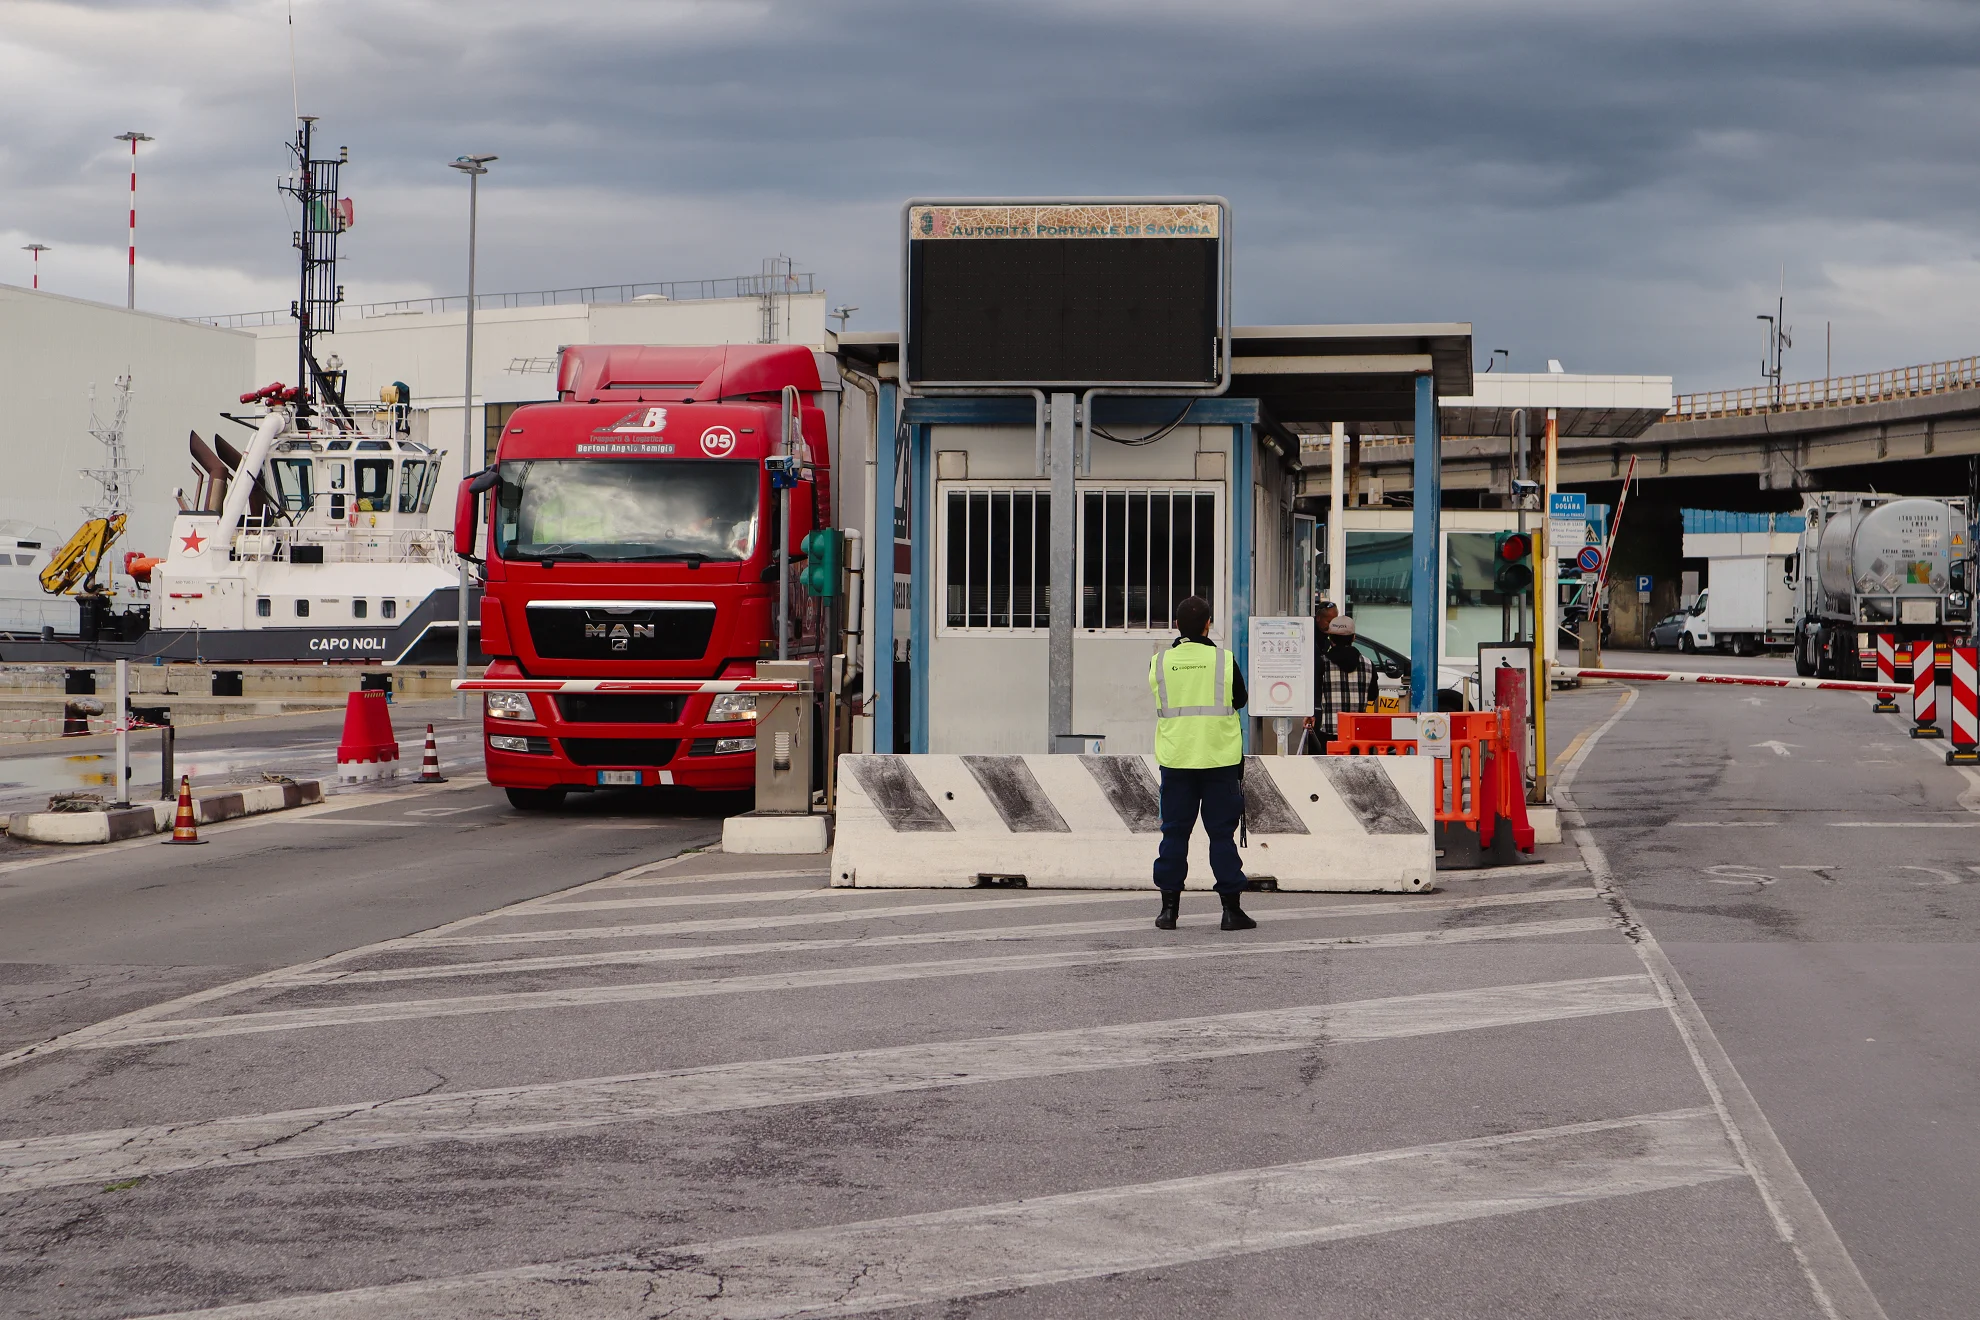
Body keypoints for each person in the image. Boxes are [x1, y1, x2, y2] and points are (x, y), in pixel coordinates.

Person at [1148, 595, 1256, 933]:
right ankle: (1231, 911)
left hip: (1177, 759)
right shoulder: (1223, 659)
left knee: (1174, 834)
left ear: (1177, 625)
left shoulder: (1160, 662)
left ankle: (1168, 912)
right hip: (1219, 760)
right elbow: (1239, 699)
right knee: (1221, 835)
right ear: (1208, 624)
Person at [1307, 615, 1378, 753]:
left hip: (1330, 732)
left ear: (1330, 638)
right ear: (1353, 638)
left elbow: (1314, 693)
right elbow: (1372, 696)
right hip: (1358, 734)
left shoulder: (1322, 663)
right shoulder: (1368, 664)